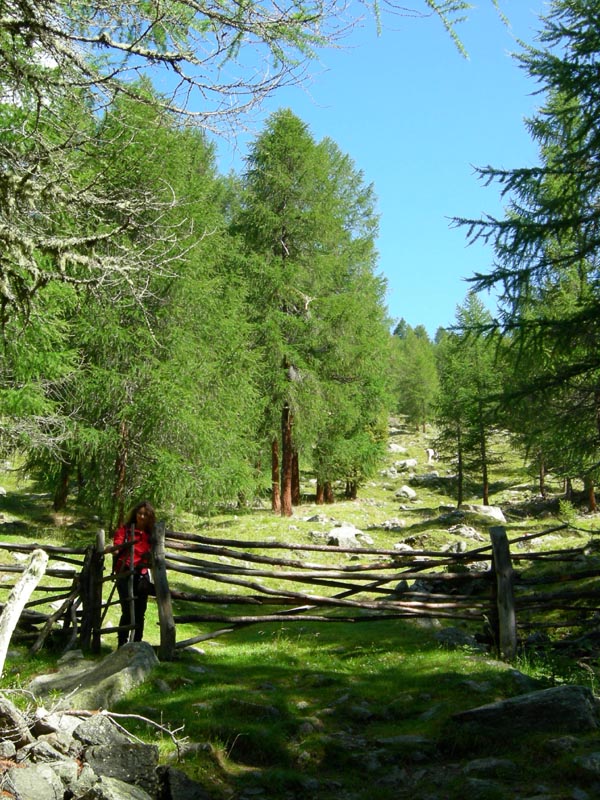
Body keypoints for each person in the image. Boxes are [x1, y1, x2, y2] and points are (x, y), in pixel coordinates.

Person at [112, 500, 156, 647]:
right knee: (127, 610)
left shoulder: (151, 535)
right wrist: (117, 549)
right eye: (140, 513)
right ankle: (122, 643)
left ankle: (137, 643)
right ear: (135, 514)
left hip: (142, 575)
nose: (142, 517)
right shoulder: (124, 531)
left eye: (145, 514)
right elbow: (117, 546)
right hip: (125, 574)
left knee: (140, 611)